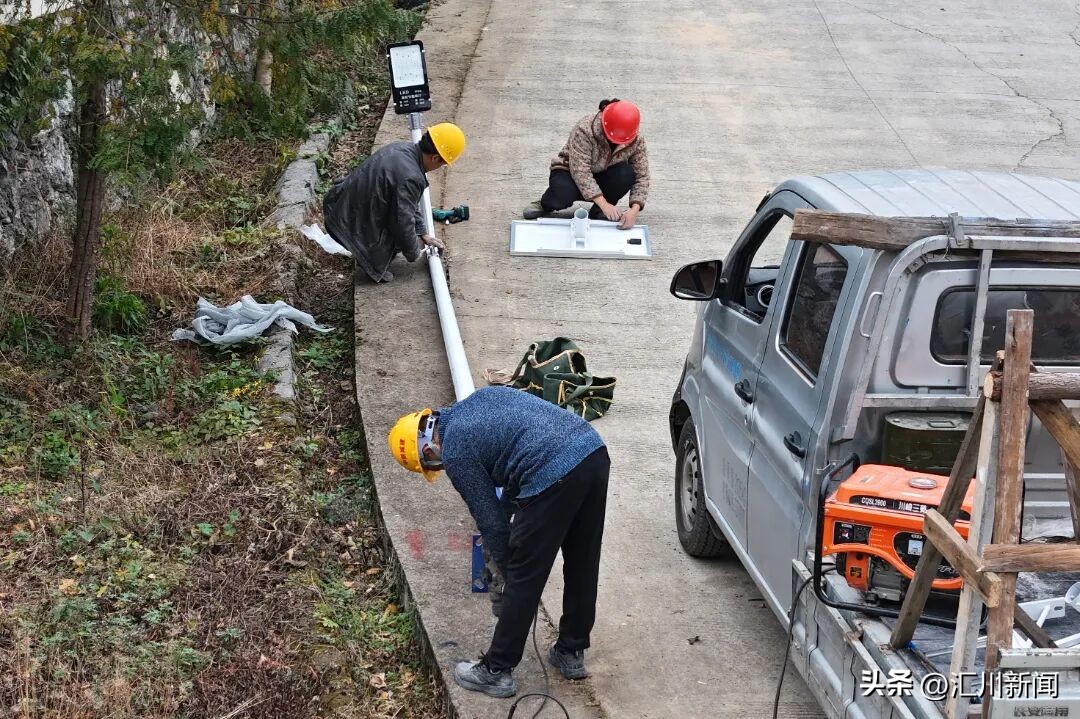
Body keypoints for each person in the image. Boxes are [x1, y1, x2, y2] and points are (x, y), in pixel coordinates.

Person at [387, 386, 610, 698]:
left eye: (434, 466)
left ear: (427, 451)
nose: (441, 468)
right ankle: (571, 652)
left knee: (523, 573)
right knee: (583, 559)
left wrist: (506, 572)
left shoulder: (456, 451)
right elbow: (505, 489)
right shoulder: (478, 403)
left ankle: (497, 670)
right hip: (592, 452)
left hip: (552, 470)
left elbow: (491, 522)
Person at [322, 122, 466, 283]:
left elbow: (409, 205)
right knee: (396, 237)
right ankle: (367, 258)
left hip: (339, 208)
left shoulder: (403, 149)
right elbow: (402, 220)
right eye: (442, 164)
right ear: (435, 158)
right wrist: (413, 252)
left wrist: (423, 234)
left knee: (400, 226)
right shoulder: (411, 177)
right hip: (347, 224)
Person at [522, 99, 650, 230]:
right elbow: (580, 171)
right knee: (562, 194)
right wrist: (604, 204)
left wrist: (634, 211)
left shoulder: (635, 139)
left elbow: (642, 176)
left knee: (625, 174)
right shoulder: (585, 129)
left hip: (603, 175)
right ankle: (545, 204)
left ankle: (598, 211)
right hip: (569, 172)